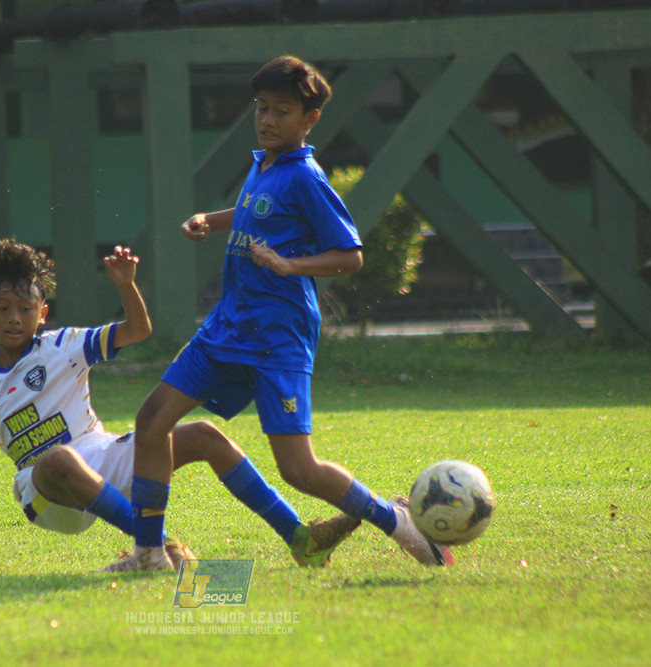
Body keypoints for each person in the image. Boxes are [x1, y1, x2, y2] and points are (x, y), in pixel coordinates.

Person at [106, 55, 454, 572]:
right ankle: (150, 554)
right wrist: (213, 219)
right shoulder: (262, 162)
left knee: (299, 470)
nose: (268, 120)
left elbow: (350, 254)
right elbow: (254, 211)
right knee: (152, 421)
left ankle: (395, 520)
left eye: (282, 111)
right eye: (262, 108)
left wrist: (291, 266)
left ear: (309, 119)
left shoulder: (307, 178)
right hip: (227, 326)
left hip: (278, 338)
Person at [0, 238, 349, 570]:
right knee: (55, 458)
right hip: (45, 493)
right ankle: (159, 548)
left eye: (25, 308)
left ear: (42, 312)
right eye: (3, 308)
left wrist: (126, 287)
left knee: (205, 435)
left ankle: (299, 537)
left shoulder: (64, 345)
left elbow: (139, 330)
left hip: (101, 457)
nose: (14, 318)